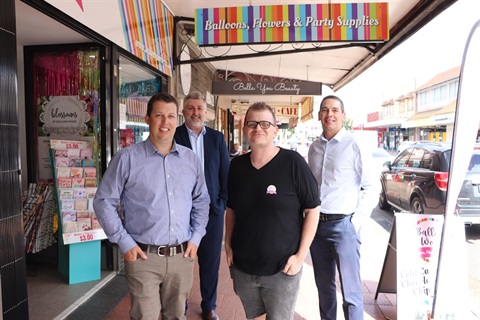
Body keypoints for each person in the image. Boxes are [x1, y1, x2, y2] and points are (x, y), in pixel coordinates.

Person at [93, 93, 210, 320]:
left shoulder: (190, 159)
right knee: (145, 316)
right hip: (143, 256)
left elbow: (201, 201)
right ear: (147, 119)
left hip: (182, 256)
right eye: (158, 115)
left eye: (170, 116)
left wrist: (196, 237)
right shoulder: (127, 158)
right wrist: (124, 242)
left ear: (177, 120)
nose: (165, 123)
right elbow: (103, 201)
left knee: (177, 315)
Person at [225, 102, 321, 319]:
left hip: (282, 269)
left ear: (275, 130)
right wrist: (228, 245)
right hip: (243, 267)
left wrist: (300, 256)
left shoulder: (293, 163)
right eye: (252, 123)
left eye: (265, 123)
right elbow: (231, 209)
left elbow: (313, 210)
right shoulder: (236, 167)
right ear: (244, 129)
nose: (258, 128)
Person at [307, 95, 379, 320]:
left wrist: (354, 223)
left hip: (344, 227)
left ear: (343, 116)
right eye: (325, 110)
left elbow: (372, 186)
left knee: (351, 293)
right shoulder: (314, 148)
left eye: (335, 110)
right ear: (319, 115)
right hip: (317, 228)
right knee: (324, 290)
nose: (330, 114)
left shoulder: (355, 145)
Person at [174, 91, 230, 320]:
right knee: (181, 262)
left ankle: (209, 305)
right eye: (191, 108)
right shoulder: (174, 135)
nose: (195, 112)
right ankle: (180, 304)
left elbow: (225, 172)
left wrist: (222, 201)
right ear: (183, 111)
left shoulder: (216, 138)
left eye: (199, 108)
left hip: (212, 211)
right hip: (180, 211)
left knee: (210, 260)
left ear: (205, 112)